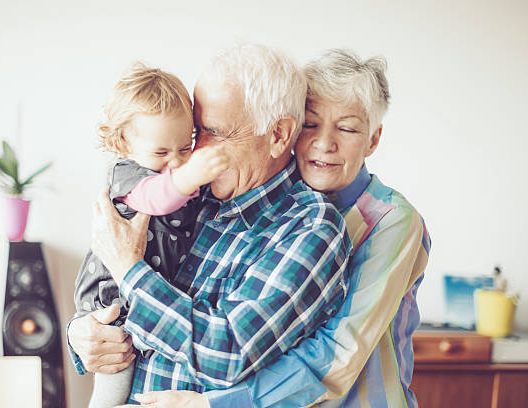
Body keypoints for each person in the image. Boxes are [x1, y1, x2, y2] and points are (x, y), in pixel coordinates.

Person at [130, 50, 431, 407]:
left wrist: (214, 404)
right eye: (310, 124)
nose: (323, 143)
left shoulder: (389, 219)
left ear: (373, 139)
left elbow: (336, 354)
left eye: (347, 128)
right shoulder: (228, 196)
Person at [69, 44, 353, 403]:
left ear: (278, 135)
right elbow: (103, 276)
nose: (196, 153)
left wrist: (129, 269)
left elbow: (228, 352)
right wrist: (82, 333)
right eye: (194, 134)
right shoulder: (188, 194)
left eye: (214, 132)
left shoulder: (310, 227)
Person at [73, 61, 229, 408]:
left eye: (184, 147)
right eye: (161, 152)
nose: (174, 162)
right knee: (113, 386)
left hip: (149, 303)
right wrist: (192, 174)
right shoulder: (128, 176)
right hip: (115, 306)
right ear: (123, 142)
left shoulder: (179, 177)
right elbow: (156, 198)